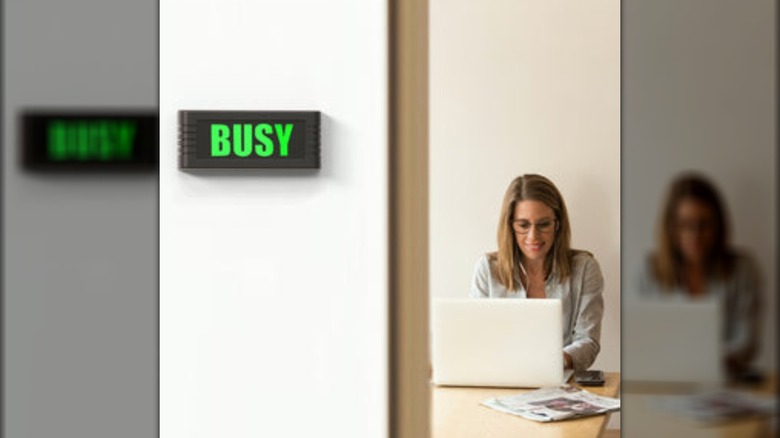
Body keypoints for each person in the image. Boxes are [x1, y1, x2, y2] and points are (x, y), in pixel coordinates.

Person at [470, 174, 604, 371]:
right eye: (523, 225)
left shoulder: (584, 268)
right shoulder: (487, 269)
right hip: (500, 379)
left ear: (557, 224)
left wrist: (552, 362)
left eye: (543, 224)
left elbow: (588, 342)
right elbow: (476, 339)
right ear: (510, 226)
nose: (533, 236)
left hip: (560, 383)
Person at [638, 173, 763, 380]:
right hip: (665, 381)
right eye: (685, 225)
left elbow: (746, 342)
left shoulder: (742, 269)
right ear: (670, 227)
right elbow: (644, 338)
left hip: (727, 381)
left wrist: (701, 360)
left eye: (703, 224)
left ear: (718, 226)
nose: (694, 235)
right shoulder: (650, 270)